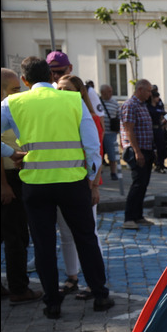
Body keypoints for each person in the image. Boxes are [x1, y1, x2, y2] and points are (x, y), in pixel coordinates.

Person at [0, 56, 114, 318]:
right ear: (52, 77)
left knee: (43, 244)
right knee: (86, 238)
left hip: (35, 183)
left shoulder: (14, 102)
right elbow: (92, 145)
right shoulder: (72, 100)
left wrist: (10, 152)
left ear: (25, 80)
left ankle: (52, 303)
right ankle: (99, 295)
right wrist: (92, 178)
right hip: (73, 183)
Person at [57, 74, 106, 300]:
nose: (62, 93)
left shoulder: (90, 117)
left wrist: (94, 185)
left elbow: (96, 153)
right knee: (66, 234)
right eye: (59, 88)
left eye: (67, 89)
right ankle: (72, 277)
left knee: (89, 234)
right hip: (61, 181)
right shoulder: (55, 114)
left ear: (80, 94)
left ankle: (93, 281)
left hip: (84, 182)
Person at [0, 68, 42, 305]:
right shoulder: (5, 111)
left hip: (12, 176)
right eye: (15, 89)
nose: (20, 93)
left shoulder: (11, 109)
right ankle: (19, 288)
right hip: (8, 179)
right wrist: (4, 185)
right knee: (16, 236)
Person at [120, 79, 156, 229]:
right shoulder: (130, 105)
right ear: (140, 89)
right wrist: (137, 151)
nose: (150, 94)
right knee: (137, 184)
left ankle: (138, 215)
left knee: (143, 184)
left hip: (146, 150)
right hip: (137, 150)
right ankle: (129, 218)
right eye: (148, 91)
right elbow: (129, 130)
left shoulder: (142, 105)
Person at [98, 84, 121, 180]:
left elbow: (119, 116)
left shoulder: (115, 103)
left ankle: (113, 172)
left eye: (111, 91)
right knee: (99, 154)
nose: (111, 94)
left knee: (112, 154)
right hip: (99, 133)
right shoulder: (97, 102)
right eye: (109, 92)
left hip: (111, 133)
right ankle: (99, 172)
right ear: (103, 93)